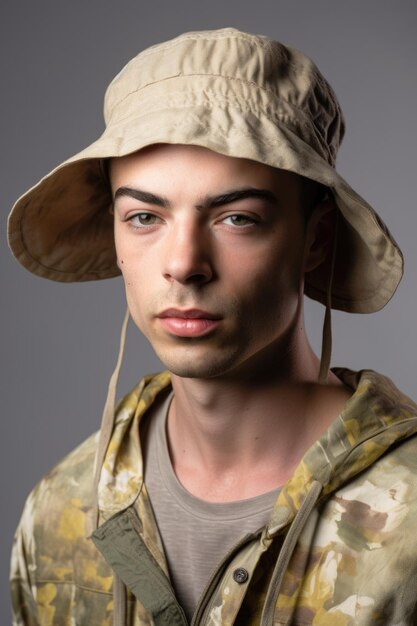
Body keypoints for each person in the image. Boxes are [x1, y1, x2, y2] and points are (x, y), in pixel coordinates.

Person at [8, 27, 417, 626]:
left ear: (316, 238)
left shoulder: (407, 522)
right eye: (145, 216)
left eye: (236, 218)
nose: (183, 264)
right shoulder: (63, 509)